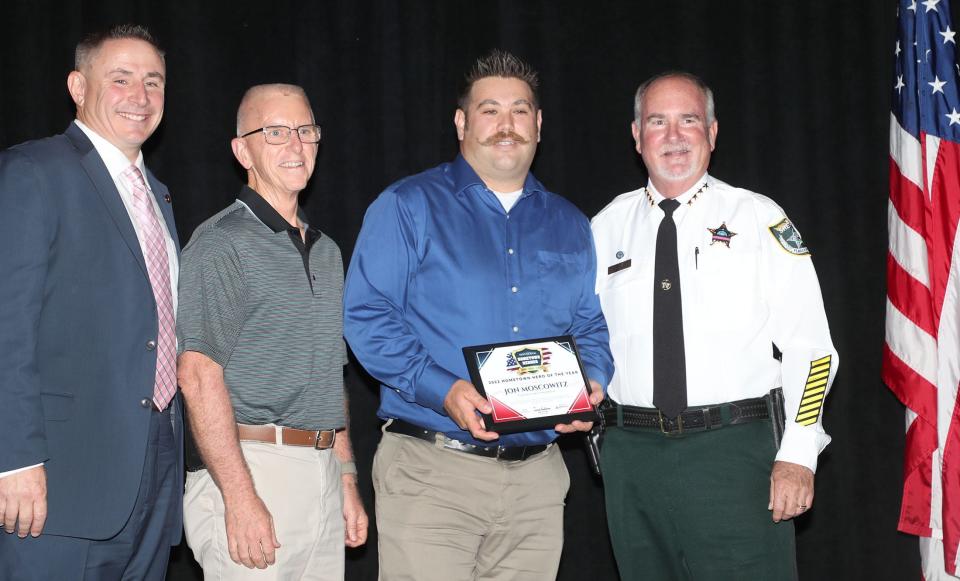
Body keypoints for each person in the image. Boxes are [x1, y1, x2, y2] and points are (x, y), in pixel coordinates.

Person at [343, 50, 614, 581]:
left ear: (539, 123)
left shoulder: (570, 223)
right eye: (490, 111)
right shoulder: (407, 205)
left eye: (520, 110)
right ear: (462, 122)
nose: (506, 125)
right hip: (432, 473)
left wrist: (592, 381)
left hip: (537, 485)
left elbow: (588, 326)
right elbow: (368, 314)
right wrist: (442, 388)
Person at [591, 71, 839, 580]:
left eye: (689, 120)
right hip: (632, 458)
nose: (674, 136)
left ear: (713, 132)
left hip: (734, 452)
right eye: (657, 122)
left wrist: (798, 452)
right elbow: (583, 341)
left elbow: (813, 350)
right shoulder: (603, 228)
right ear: (636, 136)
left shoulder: (757, 217)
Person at [0, 24, 183, 581]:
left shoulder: (157, 193)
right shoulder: (33, 172)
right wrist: (14, 460)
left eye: (153, 82)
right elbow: (8, 327)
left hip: (153, 469)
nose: (141, 96)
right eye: (121, 79)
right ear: (78, 86)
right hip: (59, 483)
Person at [176, 83, 368, 580]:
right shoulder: (221, 244)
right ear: (243, 150)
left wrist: (346, 478)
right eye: (276, 132)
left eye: (305, 131)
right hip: (253, 470)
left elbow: (331, 377)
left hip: (321, 471)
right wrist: (239, 498)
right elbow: (197, 376)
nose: (295, 145)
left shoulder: (326, 251)